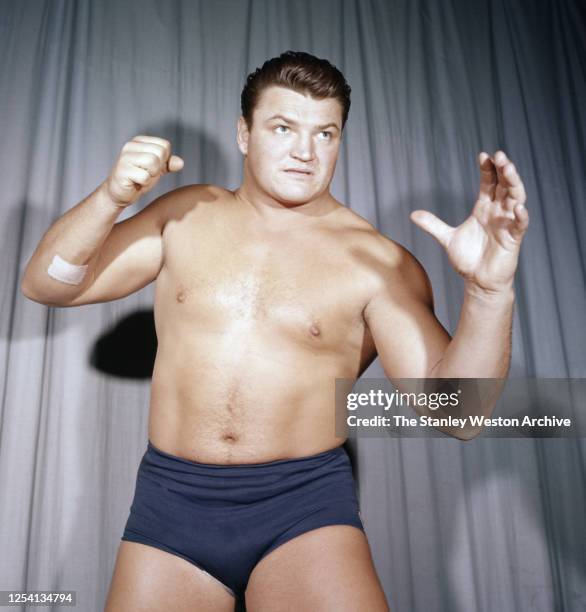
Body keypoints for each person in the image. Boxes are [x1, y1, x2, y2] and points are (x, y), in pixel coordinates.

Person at [21, 51, 528, 611]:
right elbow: (51, 285)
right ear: (244, 133)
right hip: (172, 501)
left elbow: (457, 417)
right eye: (283, 128)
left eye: (325, 133)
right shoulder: (186, 215)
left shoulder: (375, 263)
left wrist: (487, 293)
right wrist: (111, 199)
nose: (305, 152)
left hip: (302, 508)